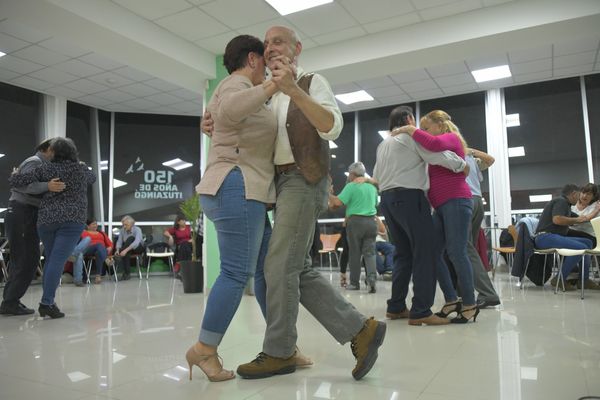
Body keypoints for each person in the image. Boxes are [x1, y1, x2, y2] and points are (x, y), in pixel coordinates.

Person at [205, 26, 386, 381]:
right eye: (267, 42)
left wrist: (291, 89)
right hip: (279, 186)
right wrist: (214, 122)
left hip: (303, 179)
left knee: (277, 266)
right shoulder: (267, 93)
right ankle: (361, 330)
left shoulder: (311, 81)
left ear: (297, 48)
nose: (271, 48)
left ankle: (279, 351)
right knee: (295, 268)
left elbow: (332, 126)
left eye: (279, 42)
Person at [188, 34, 280, 383]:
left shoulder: (237, 88)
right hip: (236, 185)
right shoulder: (235, 84)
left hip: (243, 188)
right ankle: (204, 350)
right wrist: (274, 87)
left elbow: (227, 120)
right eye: (266, 62)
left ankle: (281, 344)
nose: (270, 70)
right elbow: (230, 110)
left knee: (263, 271)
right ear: (253, 59)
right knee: (235, 273)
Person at [375, 105, 466, 326]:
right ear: (408, 119)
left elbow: (376, 175)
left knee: (403, 254)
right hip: (409, 198)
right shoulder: (410, 136)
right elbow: (435, 155)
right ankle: (421, 310)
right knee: (426, 253)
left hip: (387, 201)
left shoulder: (383, 144)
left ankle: (396, 307)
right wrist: (461, 164)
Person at [394, 110, 478, 323]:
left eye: (426, 127)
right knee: (433, 253)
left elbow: (432, 144)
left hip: (457, 200)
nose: (423, 132)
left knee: (457, 252)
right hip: (441, 206)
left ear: (440, 125)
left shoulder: (451, 138)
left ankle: (469, 304)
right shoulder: (437, 146)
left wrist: (410, 129)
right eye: (421, 128)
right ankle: (451, 299)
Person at [8, 137, 96, 319]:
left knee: (51, 260)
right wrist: (82, 165)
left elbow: (16, 181)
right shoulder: (80, 169)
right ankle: (46, 303)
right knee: (56, 261)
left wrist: (15, 174)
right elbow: (92, 178)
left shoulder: (46, 168)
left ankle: (49, 302)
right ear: (73, 153)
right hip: (72, 221)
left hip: (46, 220)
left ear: (54, 152)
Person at [1, 139, 65, 316]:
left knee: (28, 258)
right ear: (49, 149)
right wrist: (48, 186)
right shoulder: (34, 162)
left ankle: (10, 300)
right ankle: (9, 302)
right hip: (21, 213)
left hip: (27, 214)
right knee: (24, 259)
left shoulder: (42, 165)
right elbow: (22, 183)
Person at [535, 184, 599, 290]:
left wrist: (595, 211)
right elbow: (557, 219)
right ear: (574, 194)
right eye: (579, 194)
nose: (580, 198)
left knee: (588, 242)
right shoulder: (561, 201)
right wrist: (576, 220)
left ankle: (584, 280)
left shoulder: (566, 206)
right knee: (581, 247)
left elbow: (582, 219)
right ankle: (560, 278)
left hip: (551, 237)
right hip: (545, 237)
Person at [329, 162, 379, 292]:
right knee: (370, 253)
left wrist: (328, 193)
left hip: (356, 222)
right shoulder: (372, 187)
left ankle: (354, 283)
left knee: (355, 253)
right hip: (371, 222)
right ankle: (372, 280)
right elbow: (376, 203)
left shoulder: (351, 186)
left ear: (352, 174)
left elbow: (338, 202)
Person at [462, 149, 501, 309]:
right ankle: (465, 290)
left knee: (464, 248)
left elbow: (491, 159)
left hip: (465, 199)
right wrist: (470, 151)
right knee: (467, 247)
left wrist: (469, 151)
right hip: (477, 200)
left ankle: (487, 293)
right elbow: (490, 160)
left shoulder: (451, 152)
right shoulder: (470, 157)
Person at [74, 219, 113, 284]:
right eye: (93, 224)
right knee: (99, 245)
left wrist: (110, 247)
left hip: (100, 251)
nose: (95, 225)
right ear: (88, 226)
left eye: (96, 224)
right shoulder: (84, 232)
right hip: (88, 249)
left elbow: (110, 243)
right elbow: (80, 243)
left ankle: (98, 276)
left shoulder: (101, 233)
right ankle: (106, 259)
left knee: (99, 252)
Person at [570, 183, 600, 247]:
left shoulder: (596, 206)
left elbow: (581, 221)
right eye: (583, 193)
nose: (584, 196)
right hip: (572, 235)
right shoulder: (572, 204)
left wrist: (596, 211)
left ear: (593, 196)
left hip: (590, 236)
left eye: (588, 194)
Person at [114, 215, 144, 280]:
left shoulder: (137, 229)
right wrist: (117, 249)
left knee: (131, 238)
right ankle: (127, 274)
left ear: (132, 224)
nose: (124, 227)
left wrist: (124, 250)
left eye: (126, 225)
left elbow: (136, 242)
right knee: (126, 252)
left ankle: (116, 257)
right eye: (123, 225)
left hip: (138, 248)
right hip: (128, 248)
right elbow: (119, 241)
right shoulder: (122, 230)